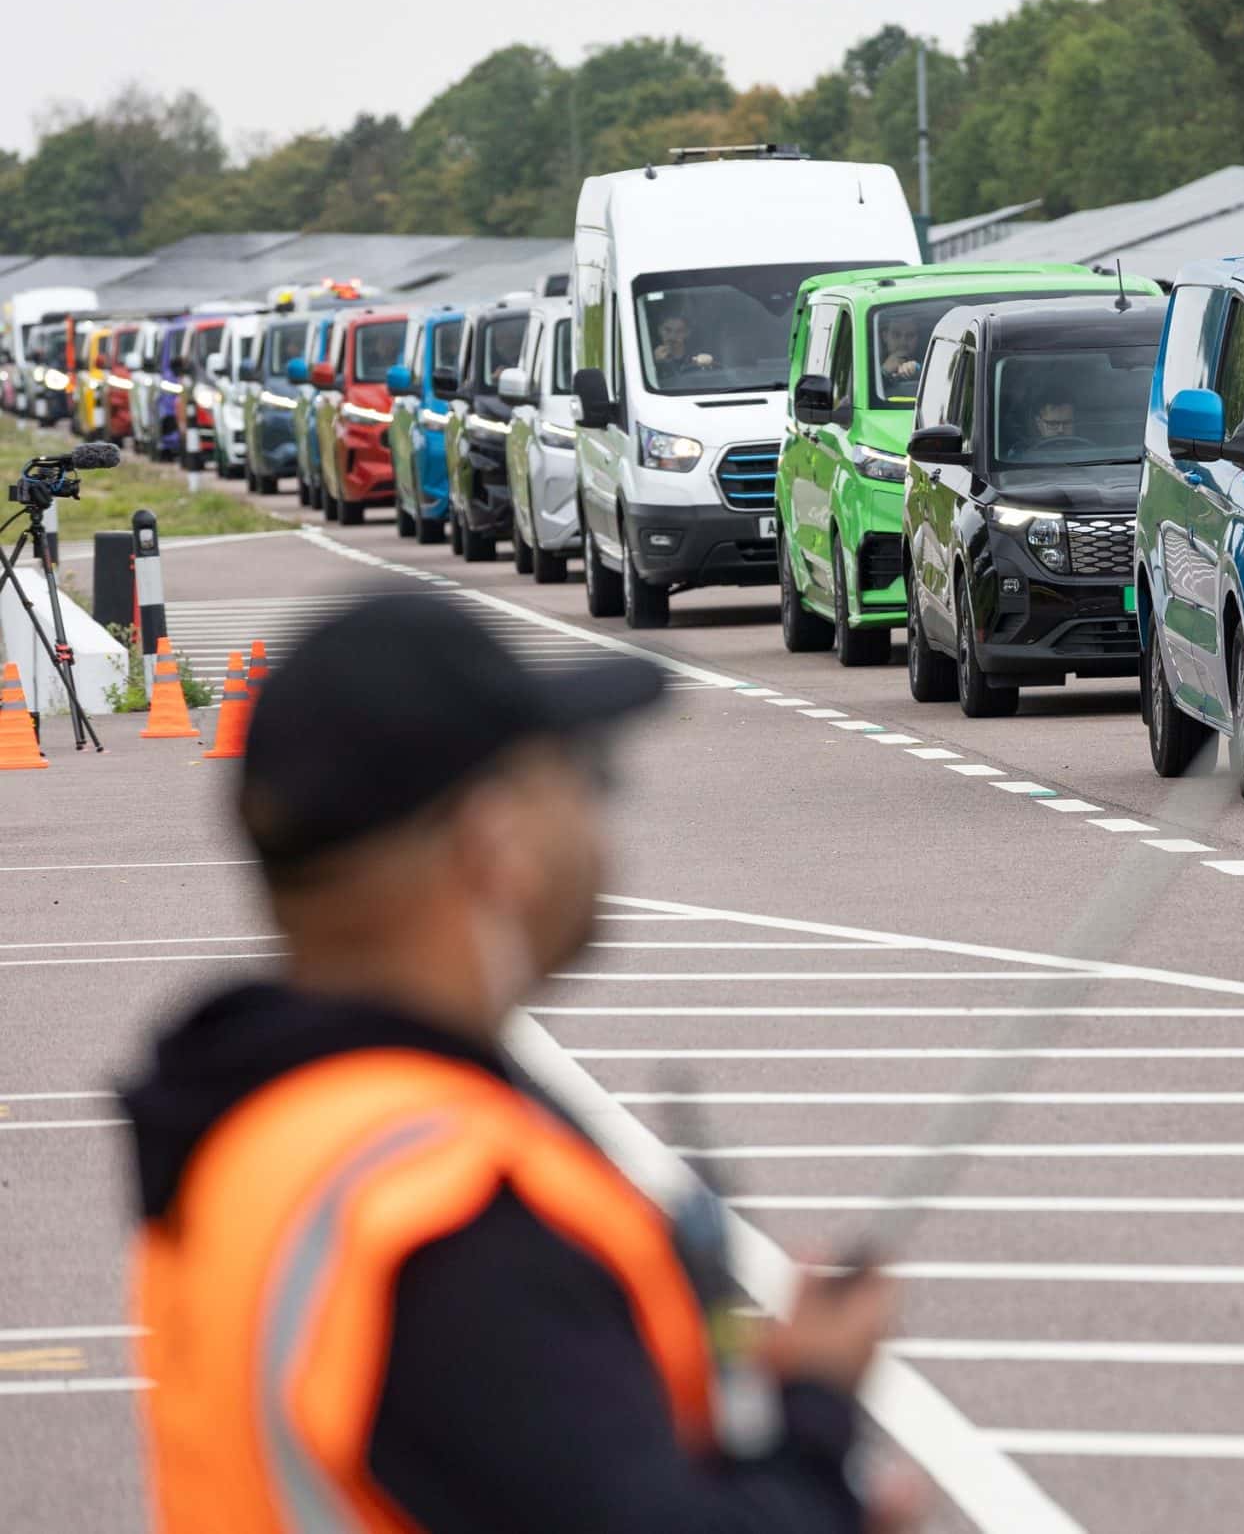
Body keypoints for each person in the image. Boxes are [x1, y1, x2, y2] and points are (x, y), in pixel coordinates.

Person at [121, 595, 923, 1534]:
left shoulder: (262, 1131)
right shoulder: (451, 1216)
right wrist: (815, 1428)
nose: (599, 812)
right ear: (494, 845)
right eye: (585, 776)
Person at [877, 314, 925, 396]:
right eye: (896, 335)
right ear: (885, 336)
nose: (903, 342)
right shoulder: (869, 365)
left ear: (918, 339)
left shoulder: (932, 360)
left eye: (910, 335)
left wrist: (919, 369)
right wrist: (884, 373)